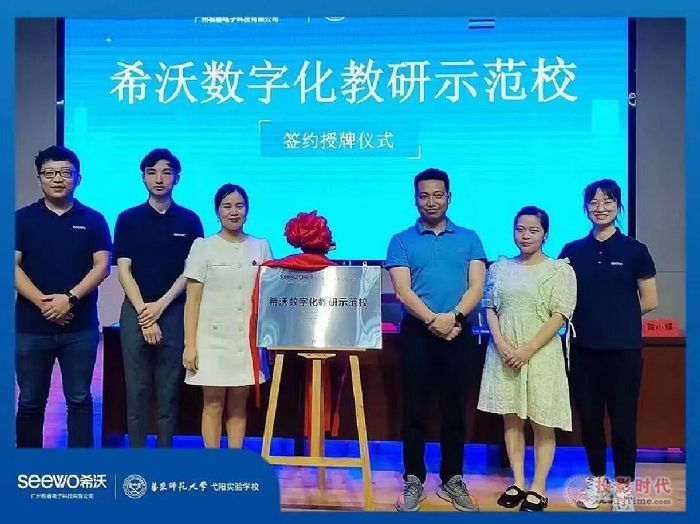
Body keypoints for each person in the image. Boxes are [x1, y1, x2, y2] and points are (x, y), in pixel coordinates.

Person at [385, 168, 486, 512]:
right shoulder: (401, 240)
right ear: (416, 199)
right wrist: (433, 320)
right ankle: (413, 478)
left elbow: (477, 286)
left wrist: (454, 317)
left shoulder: (469, 237)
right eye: (424, 196)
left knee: (455, 411)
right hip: (417, 334)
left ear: (449, 197)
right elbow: (403, 290)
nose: (431, 201)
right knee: (414, 410)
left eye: (438, 195)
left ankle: (452, 478)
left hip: (459, 333)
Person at [560, 179, 658, 512]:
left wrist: (616, 316)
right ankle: (598, 481)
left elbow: (650, 300)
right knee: (589, 420)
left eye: (608, 201)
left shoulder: (635, 250)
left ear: (618, 206)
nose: (600, 207)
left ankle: (624, 487)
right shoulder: (572, 251)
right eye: (594, 202)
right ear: (585, 208)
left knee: (623, 421)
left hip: (623, 351)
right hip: (583, 351)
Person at [477, 206, 577, 511]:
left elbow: (560, 315)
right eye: (520, 229)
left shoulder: (559, 270)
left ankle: (538, 487)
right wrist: (501, 343)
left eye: (533, 230)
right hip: (504, 353)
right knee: (512, 419)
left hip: (542, 354)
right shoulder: (500, 268)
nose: (526, 235)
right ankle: (518, 481)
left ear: (545, 234)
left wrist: (527, 349)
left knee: (542, 422)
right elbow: (489, 307)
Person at [15, 145, 111, 447]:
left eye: (65, 173)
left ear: (78, 178)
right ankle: (27, 466)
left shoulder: (94, 219)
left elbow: (102, 266)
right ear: (39, 179)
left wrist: (68, 299)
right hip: (30, 328)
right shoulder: (21, 219)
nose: (58, 179)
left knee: (79, 399)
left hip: (79, 328)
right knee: (30, 400)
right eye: (50, 173)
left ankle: (80, 465)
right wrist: (45, 304)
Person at [113, 148, 204, 447]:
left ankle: (164, 455)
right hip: (135, 310)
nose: (159, 179)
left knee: (169, 391)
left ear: (177, 178)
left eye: (166, 172)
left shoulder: (190, 221)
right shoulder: (128, 219)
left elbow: (191, 271)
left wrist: (161, 306)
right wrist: (144, 313)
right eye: (152, 173)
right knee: (136, 390)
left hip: (174, 311)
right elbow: (123, 270)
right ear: (143, 178)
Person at [182, 184, 272, 448]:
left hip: (246, 341)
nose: (234, 212)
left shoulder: (260, 246)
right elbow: (192, 301)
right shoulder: (204, 246)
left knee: (239, 405)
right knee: (212, 404)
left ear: (247, 210)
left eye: (239, 206)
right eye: (227, 206)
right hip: (211, 341)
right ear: (217, 211)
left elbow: (269, 295)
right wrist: (190, 345)